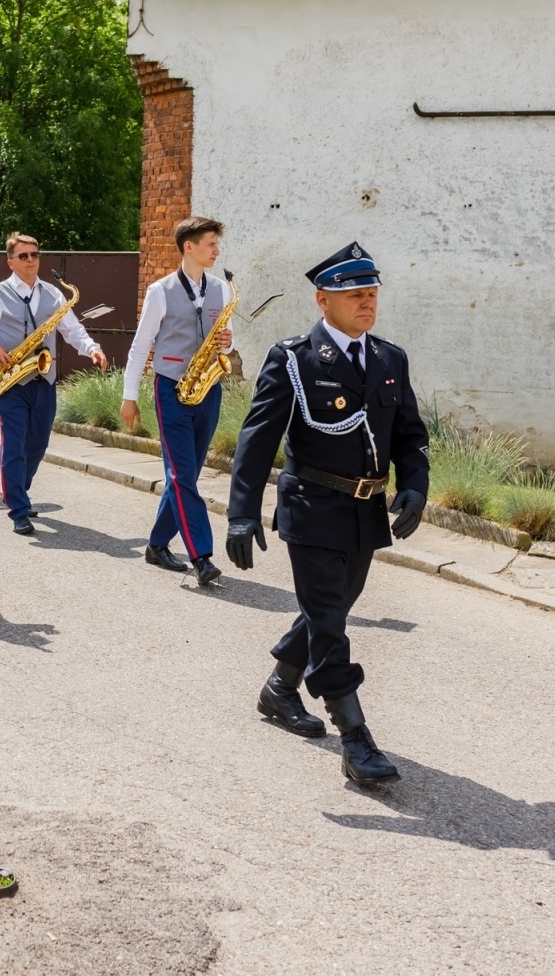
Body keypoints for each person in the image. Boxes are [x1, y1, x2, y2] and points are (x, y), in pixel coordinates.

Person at [225, 241, 428, 785]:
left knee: (329, 610)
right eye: (356, 294)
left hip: (365, 514)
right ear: (323, 300)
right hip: (311, 508)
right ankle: (356, 741)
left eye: (372, 293)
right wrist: (241, 513)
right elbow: (256, 438)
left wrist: (414, 487)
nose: (367, 303)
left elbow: (411, 436)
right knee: (331, 625)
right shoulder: (292, 359)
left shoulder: (389, 358)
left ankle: (279, 688)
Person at [0, 233, 108, 535]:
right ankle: (18, 508)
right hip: (10, 381)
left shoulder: (54, 294)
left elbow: (73, 330)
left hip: (44, 377)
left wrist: (92, 348)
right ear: (11, 261)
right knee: (14, 444)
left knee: (38, 442)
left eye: (35, 254)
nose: (31, 260)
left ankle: (19, 489)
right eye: (24, 256)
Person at [121, 216, 234, 583]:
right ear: (189, 247)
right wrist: (129, 396)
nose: (217, 250)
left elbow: (229, 340)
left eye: (217, 244)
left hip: (208, 388)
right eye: (210, 244)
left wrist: (228, 343)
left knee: (185, 475)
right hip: (171, 388)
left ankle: (156, 544)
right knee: (183, 475)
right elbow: (140, 348)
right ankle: (202, 556)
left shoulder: (222, 289)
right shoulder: (160, 290)